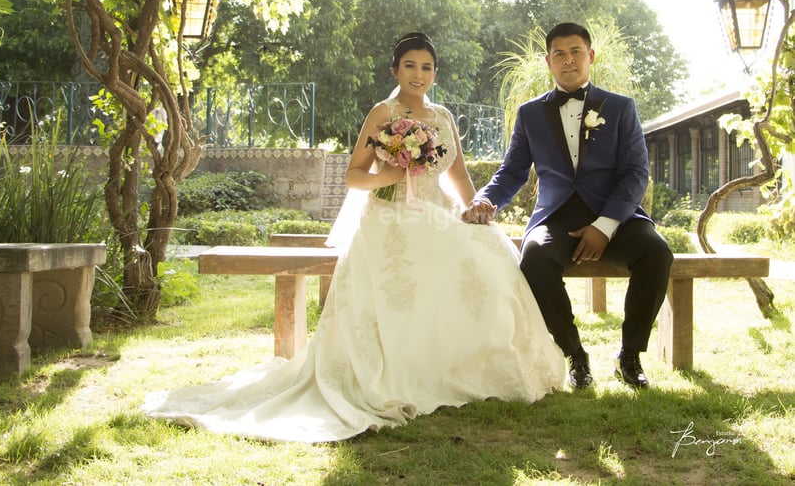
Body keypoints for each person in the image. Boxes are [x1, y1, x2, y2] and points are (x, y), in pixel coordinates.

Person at [144, 32, 566, 442]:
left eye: (427, 67)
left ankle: (474, 363)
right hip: (391, 217)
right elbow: (353, 174)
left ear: (435, 72)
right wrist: (387, 174)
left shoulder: (444, 118)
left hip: (437, 213)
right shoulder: (382, 113)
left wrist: (475, 208)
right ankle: (403, 373)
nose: (418, 75)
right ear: (395, 70)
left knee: (489, 256)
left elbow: (455, 174)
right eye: (410, 66)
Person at [463, 22, 674, 390]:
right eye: (559, 53)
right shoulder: (530, 114)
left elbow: (636, 173)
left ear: (590, 56)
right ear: (549, 61)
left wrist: (605, 225)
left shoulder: (621, 108)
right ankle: (575, 353)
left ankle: (630, 354)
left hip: (616, 216)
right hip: (556, 218)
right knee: (534, 259)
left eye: (576, 51)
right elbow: (512, 171)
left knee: (657, 252)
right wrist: (484, 198)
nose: (568, 59)